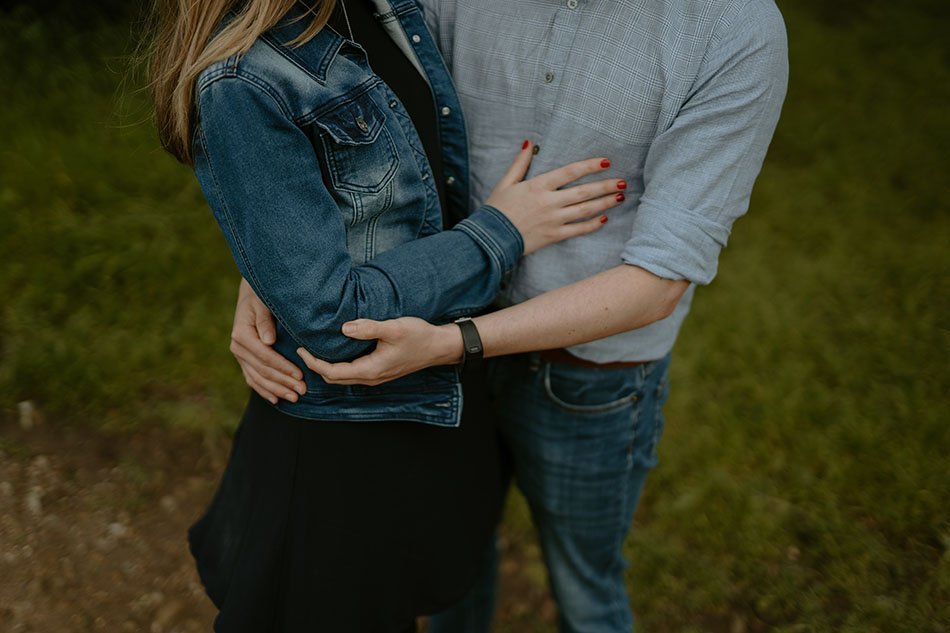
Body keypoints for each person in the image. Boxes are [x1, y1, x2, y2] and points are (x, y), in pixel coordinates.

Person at [233, 0, 789, 631]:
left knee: (585, 588)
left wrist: (454, 343)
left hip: (582, 377)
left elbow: (657, 283)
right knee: (449, 565)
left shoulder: (734, 29)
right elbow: (357, 130)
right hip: (436, 327)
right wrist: (275, 269)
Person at [148, 0, 628, 630]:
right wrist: (500, 232)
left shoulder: (385, 7)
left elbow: (370, 198)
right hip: (341, 442)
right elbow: (333, 317)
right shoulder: (242, 75)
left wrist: (269, 269)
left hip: (426, 399)